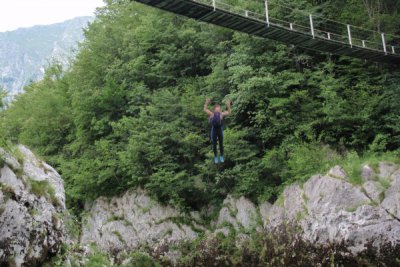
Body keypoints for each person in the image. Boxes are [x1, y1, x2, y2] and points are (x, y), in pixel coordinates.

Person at [204, 97, 231, 164]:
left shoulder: (221, 114)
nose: (218, 109)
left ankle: (221, 156)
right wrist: (206, 103)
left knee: (221, 144)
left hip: (219, 130)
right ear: (215, 109)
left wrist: (228, 105)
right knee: (214, 144)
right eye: (217, 108)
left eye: (219, 108)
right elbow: (205, 109)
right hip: (214, 130)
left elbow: (229, 112)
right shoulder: (212, 114)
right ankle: (216, 157)